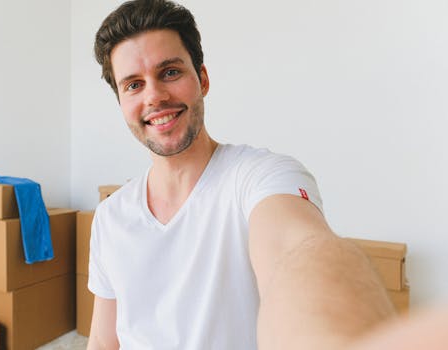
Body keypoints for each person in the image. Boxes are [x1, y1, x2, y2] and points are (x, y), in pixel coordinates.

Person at [86, 1, 396, 349]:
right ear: (121, 103)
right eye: (133, 85)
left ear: (202, 79)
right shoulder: (110, 218)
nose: (155, 96)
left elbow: (301, 252)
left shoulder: (262, 178)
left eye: (170, 72)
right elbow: (102, 339)